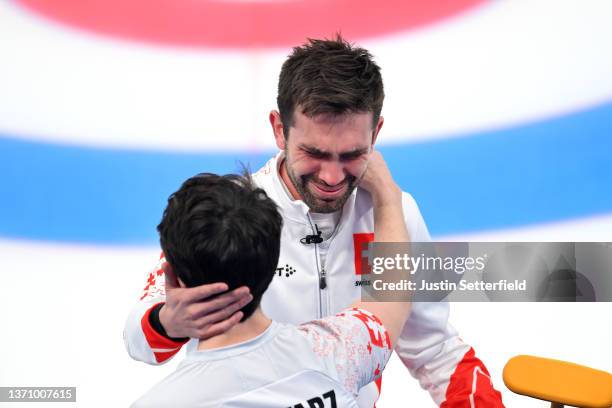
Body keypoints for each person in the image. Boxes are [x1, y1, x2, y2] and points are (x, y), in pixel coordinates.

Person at [124, 36, 504, 406]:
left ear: (377, 133)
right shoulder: (239, 214)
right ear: (278, 129)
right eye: (315, 153)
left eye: (352, 154)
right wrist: (166, 323)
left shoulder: (396, 215)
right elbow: (141, 339)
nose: (332, 177)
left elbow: (434, 349)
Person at [132, 158, 412, 407]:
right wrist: (387, 196)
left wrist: (163, 322)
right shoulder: (338, 353)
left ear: (171, 276)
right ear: (273, 261)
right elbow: (393, 296)